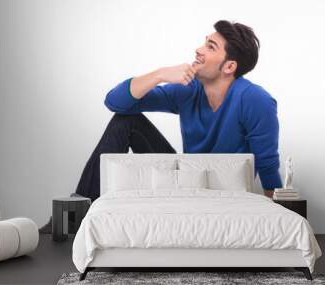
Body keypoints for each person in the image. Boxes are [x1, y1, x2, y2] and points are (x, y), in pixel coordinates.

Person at [71, 19, 282, 203]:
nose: (198, 50)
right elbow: (115, 102)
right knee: (126, 121)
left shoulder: (254, 99)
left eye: (210, 47)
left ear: (229, 67)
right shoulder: (187, 90)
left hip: (224, 192)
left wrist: (279, 216)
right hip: (186, 180)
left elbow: (267, 163)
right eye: (204, 42)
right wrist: (160, 75)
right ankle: (75, 211)